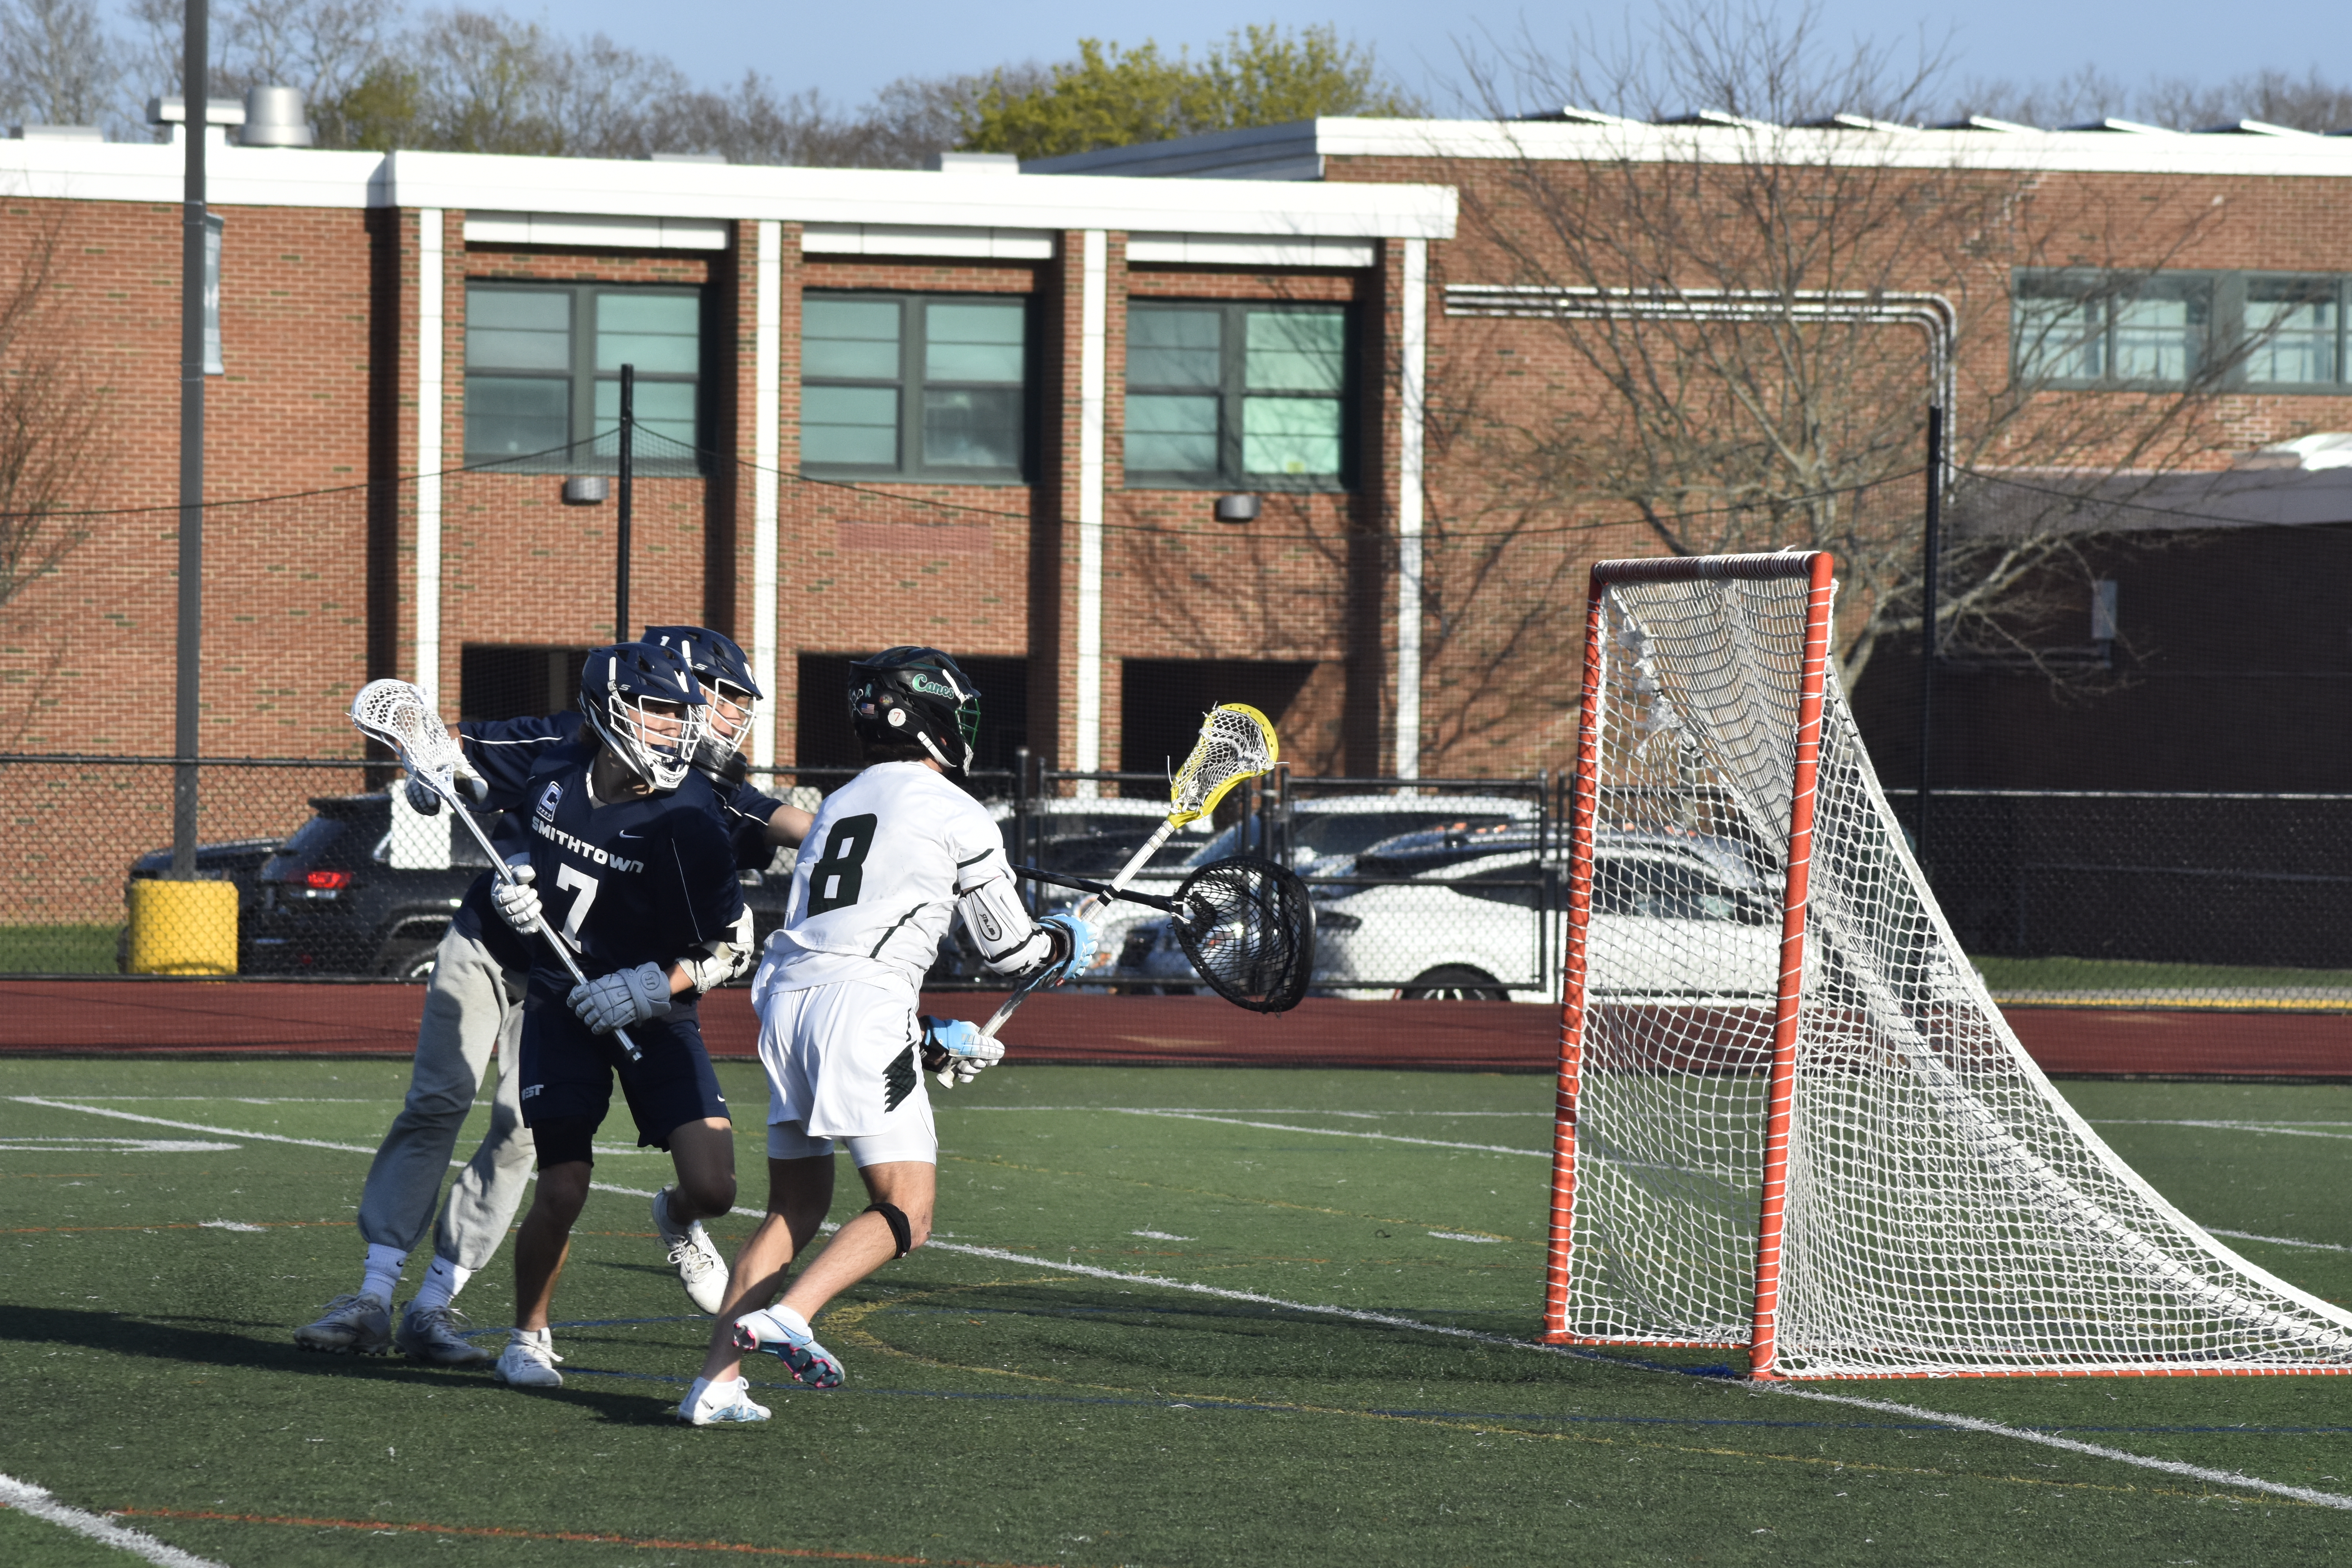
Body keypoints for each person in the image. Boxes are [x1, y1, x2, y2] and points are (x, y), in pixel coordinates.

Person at [294, 630, 811, 1367]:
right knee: (440, 1097)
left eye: (723, 703)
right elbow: (454, 755)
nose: (721, 717)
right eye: (714, 697)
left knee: (521, 1133)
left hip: (575, 984)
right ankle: (373, 1294)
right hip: (495, 946)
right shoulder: (572, 739)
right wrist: (436, 779)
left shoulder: (701, 794)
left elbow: (787, 843)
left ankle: (434, 1304)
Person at [675, 646, 1096, 1426]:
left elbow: (844, 933)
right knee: (908, 1208)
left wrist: (930, 1034)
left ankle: (716, 1381)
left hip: (790, 1002)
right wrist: (1066, 942)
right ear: (937, 717)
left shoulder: (840, 801)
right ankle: (794, 1314)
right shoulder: (958, 812)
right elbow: (1010, 950)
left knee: (794, 1208)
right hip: (859, 1006)